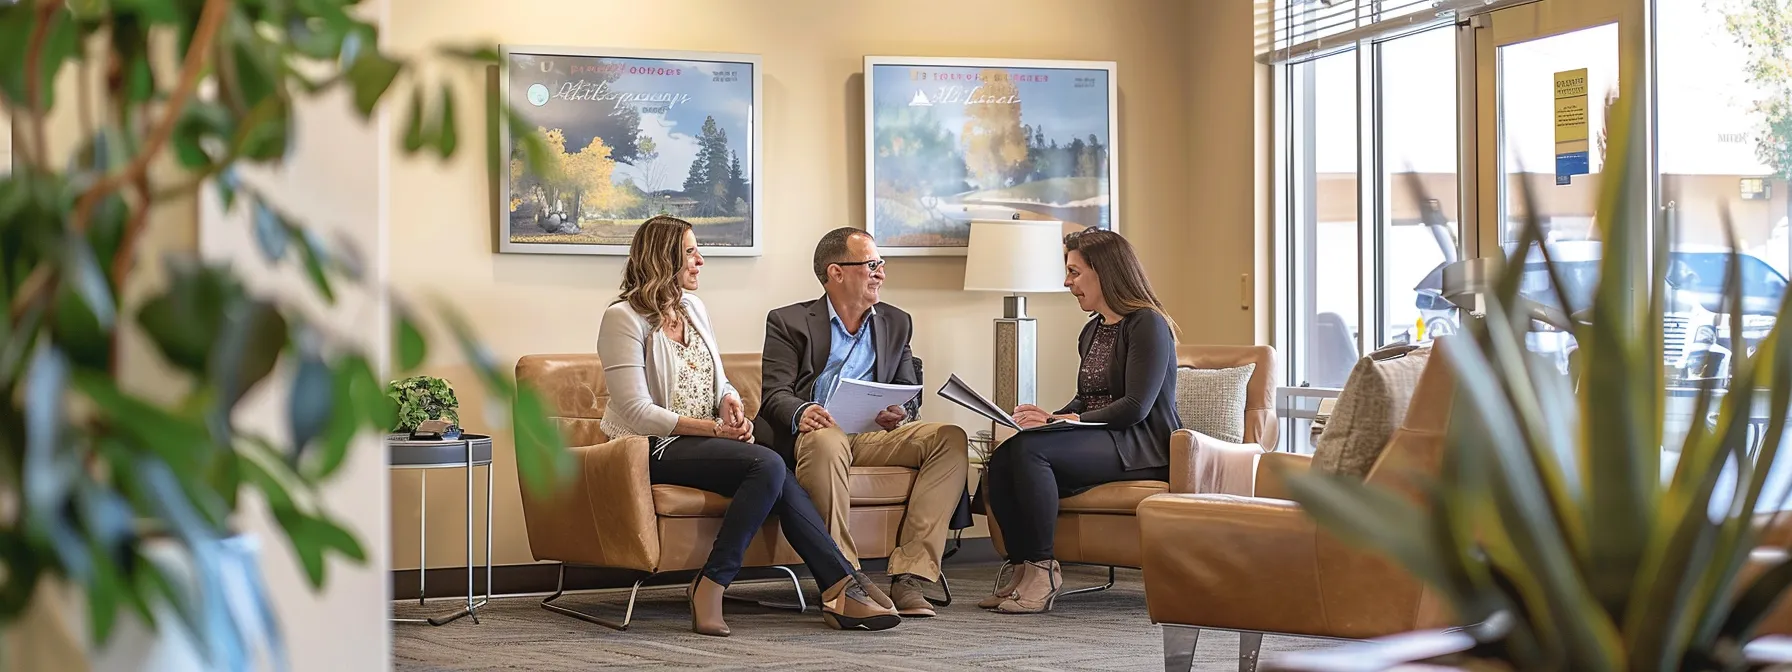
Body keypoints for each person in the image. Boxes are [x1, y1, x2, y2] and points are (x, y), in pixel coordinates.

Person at [595, 216, 900, 636]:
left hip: (697, 439)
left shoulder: (693, 308)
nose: (700, 260)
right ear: (661, 257)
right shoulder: (622, 318)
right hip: (647, 447)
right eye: (689, 252)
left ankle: (839, 585)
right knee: (768, 465)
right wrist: (712, 430)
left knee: (773, 468)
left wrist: (729, 400)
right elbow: (635, 411)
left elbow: (717, 376)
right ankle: (718, 581)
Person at [757, 227, 970, 618]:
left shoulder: (896, 321)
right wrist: (803, 411)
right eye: (871, 264)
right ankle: (846, 576)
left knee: (949, 438)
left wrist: (902, 411)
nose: (880, 273)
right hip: (817, 433)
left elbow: (908, 389)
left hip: (872, 434)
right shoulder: (789, 321)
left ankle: (911, 576)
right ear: (836, 272)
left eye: (881, 264)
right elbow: (775, 395)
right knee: (827, 439)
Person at [978, 228, 1181, 615]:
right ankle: (1022, 568)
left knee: (1032, 455)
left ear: (1104, 271)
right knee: (1009, 451)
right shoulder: (1092, 329)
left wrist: (1066, 419)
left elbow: (1135, 406)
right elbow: (1086, 399)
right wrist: (1046, 416)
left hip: (1140, 443)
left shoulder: (1147, 324)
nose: (1067, 282)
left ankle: (1043, 571)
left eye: (1074, 272)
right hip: (1101, 438)